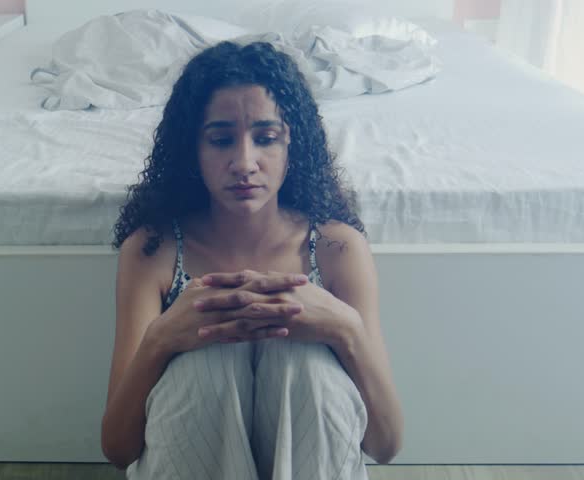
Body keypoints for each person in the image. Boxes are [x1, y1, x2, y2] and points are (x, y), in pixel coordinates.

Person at [102, 41, 403, 479]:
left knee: (301, 364)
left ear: (291, 146)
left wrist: (346, 330)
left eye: (266, 138)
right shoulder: (154, 250)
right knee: (206, 367)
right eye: (221, 140)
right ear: (193, 150)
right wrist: (162, 340)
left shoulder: (338, 248)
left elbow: (387, 445)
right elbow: (117, 448)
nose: (244, 163)